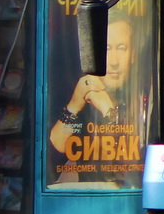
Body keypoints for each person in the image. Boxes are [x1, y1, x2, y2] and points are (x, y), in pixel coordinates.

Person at [48, 16, 149, 186]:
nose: (114, 62)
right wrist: (73, 107)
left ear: (133, 55)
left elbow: (132, 166)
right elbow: (48, 165)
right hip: (89, 201)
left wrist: (109, 111)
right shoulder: (83, 99)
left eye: (121, 48)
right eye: (107, 49)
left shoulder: (143, 96)